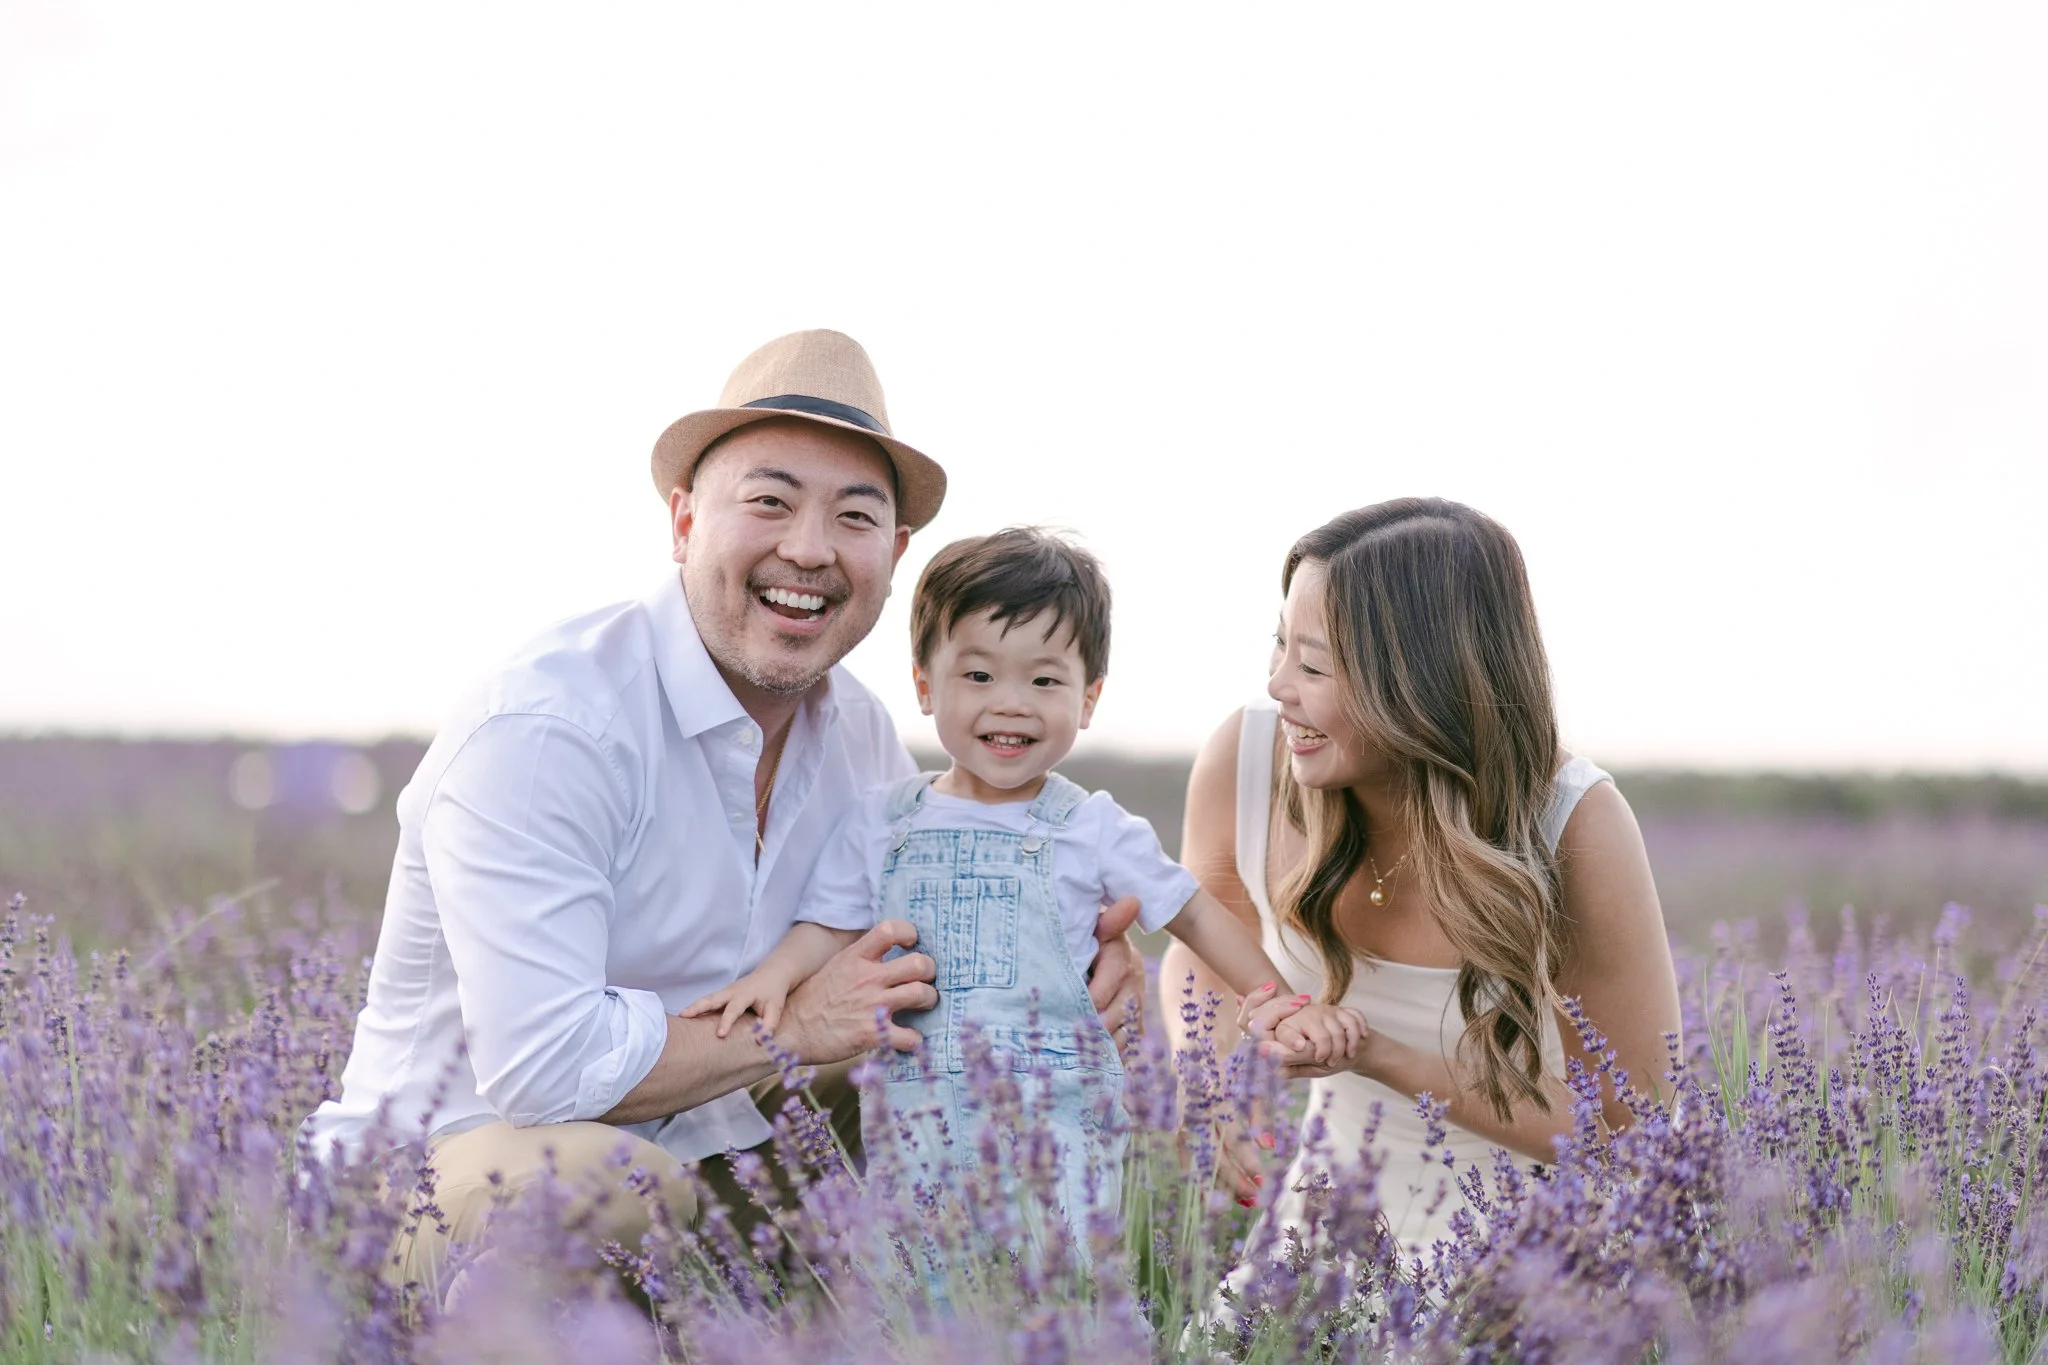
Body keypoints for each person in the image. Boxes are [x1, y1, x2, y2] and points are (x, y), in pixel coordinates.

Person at [297, 331, 1147, 1300]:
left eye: (854, 516)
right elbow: (542, 1070)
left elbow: (923, 942)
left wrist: (1064, 960)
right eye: (769, 501)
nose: (809, 550)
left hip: (708, 1150)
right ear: (684, 520)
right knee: (613, 1185)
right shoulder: (551, 726)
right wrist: (799, 1027)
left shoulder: (857, 735)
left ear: (893, 554)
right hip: (433, 1168)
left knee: (988, 1090)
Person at [684, 528, 1367, 1241]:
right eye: (979, 676)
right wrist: (774, 978)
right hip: (917, 1122)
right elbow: (830, 924)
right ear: (925, 685)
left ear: (1089, 697)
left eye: (1044, 681)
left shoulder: (1092, 826)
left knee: (1053, 1273)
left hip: (1058, 1125)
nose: (1011, 703)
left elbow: (1193, 913)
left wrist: (1277, 1000)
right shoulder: (882, 819)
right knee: (918, 1278)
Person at [1162, 498, 1681, 1260]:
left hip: (1539, 1253)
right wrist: (1203, 1074)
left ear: (1416, 686)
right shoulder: (1248, 757)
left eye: (1313, 665)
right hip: (1324, 1235)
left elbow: (1631, 1128)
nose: (1278, 685)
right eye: (1279, 646)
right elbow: (1203, 942)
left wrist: (1377, 1055)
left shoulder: (1576, 824)